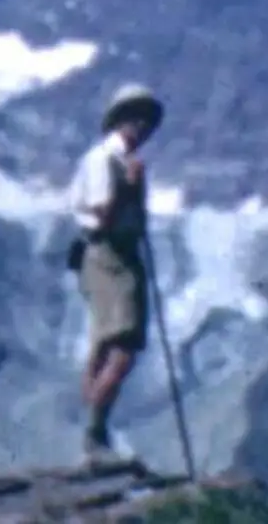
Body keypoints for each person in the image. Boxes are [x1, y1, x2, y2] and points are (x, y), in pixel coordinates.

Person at [66, 83, 164, 459]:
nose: (143, 127)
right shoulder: (104, 160)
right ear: (122, 120)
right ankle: (95, 432)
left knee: (107, 343)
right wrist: (131, 188)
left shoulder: (118, 161)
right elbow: (103, 212)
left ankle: (94, 431)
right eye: (137, 118)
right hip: (110, 256)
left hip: (116, 254)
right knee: (121, 344)